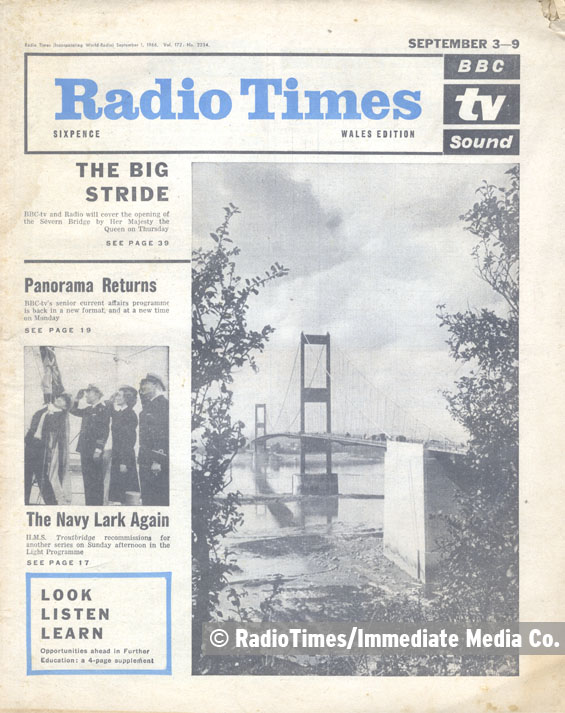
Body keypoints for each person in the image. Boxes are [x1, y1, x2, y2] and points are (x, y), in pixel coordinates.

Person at [24, 393, 72, 505]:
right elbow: (34, 420)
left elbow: (53, 427)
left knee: (41, 475)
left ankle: (51, 503)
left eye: (63, 400)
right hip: (31, 443)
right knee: (26, 473)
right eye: (59, 397)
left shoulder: (61, 415)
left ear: (65, 406)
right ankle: (24, 501)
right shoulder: (45, 410)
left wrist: (51, 413)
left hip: (42, 447)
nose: (59, 399)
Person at [70, 384, 110, 506]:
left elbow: (104, 431)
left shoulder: (103, 410)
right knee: (87, 479)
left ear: (97, 394)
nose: (86, 395)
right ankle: (89, 505)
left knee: (96, 480)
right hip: (84, 449)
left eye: (89, 392)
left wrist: (98, 449)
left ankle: (97, 506)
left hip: (94, 451)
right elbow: (73, 410)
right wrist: (77, 399)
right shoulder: (88, 409)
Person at [138, 373, 169, 506]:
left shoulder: (162, 404)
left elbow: (162, 433)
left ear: (155, 385)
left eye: (146, 384)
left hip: (155, 461)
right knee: (147, 498)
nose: (142, 387)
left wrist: (157, 460)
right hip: (146, 459)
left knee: (156, 499)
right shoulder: (150, 404)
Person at [108, 386, 139, 505]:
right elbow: (109, 407)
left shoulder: (130, 414)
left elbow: (129, 440)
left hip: (125, 456)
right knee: (117, 497)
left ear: (127, 398)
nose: (117, 397)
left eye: (119, 395)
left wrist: (124, 462)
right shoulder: (117, 413)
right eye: (117, 395)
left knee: (126, 496)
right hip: (117, 455)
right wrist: (112, 398)